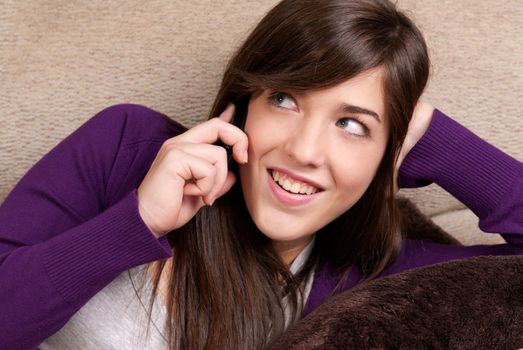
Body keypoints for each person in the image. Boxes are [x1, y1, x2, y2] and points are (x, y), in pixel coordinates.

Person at [0, 0, 521, 349]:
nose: (304, 150)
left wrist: (438, 139)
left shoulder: (376, 279)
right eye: (284, 99)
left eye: (351, 124)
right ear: (244, 101)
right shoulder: (127, 146)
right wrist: (136, 221)